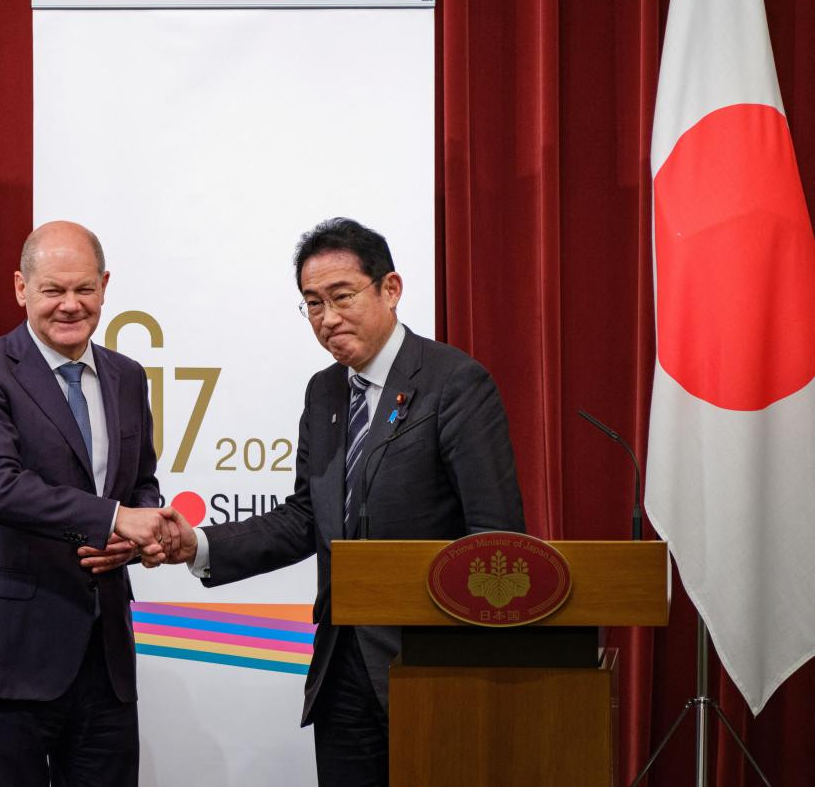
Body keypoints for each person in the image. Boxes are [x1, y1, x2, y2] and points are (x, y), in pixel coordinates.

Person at [81, 216, 526, 786]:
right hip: (341, 668)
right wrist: (196, 543)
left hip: (432, 671)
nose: (328, 318)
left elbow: (495, 538)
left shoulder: (454, 384)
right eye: (312, 303)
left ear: (390, 289)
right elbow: (306, 518)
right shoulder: (325, 392)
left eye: (342, 297)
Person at [0, 220, 178, 787]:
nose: (71, 306)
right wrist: (114, 518)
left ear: (104, 286)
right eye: (53, 291)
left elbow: (140, 482)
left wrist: (130, 537)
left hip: (106, 659)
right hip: (9, 652)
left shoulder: (126, 376)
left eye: (84, 289)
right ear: (22, 288)